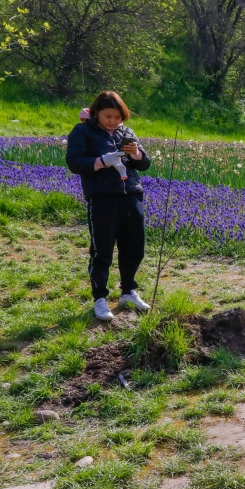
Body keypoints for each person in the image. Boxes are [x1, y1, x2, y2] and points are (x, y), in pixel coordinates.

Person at [65, 91, 152, 322]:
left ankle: (128, 291)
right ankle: (100, 298)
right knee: (102, 249)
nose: (113, 121)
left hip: (131, 194)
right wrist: (102, 161)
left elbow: (144, 164)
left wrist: (136, 154)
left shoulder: (126, 132)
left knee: (134, 247)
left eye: (117, 117)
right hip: (102, 197)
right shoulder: (83, 131)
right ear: (96, 113)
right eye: (108, 116)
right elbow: (74, 162)